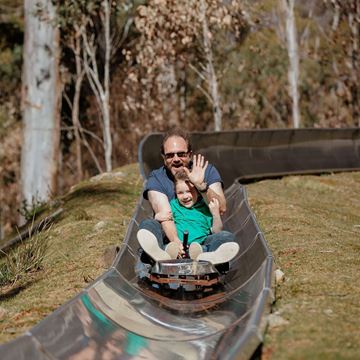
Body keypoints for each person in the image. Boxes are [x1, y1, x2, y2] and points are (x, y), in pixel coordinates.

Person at [137, 128, 239, 265]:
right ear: (163, 157)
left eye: (181, 154)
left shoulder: (206, 171)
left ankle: (206, 255)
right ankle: (161, 253)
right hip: (171, 240)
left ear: (190, 154)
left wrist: (201, 186)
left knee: (226, 237)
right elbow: (165, 215)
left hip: (201, 240)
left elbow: (221, 208)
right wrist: (177, 243)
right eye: (170, 155)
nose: (176, 159)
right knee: (147, 225)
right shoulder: (156, 179)